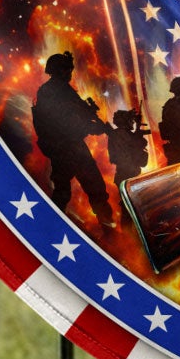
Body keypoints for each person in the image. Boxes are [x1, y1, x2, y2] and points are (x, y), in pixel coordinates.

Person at [31, 51, 117, 230]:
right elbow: (68, 122)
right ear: (59, 71)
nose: (69, 73)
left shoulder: (56, 91)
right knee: (94, 187)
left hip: (64, 147)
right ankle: (108, 227)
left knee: (63, 191)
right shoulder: (57, 92)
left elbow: (76, 117)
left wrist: (92, 123)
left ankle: (49, 228)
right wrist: (97, 128)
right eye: (66, 70)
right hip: (69, 147)